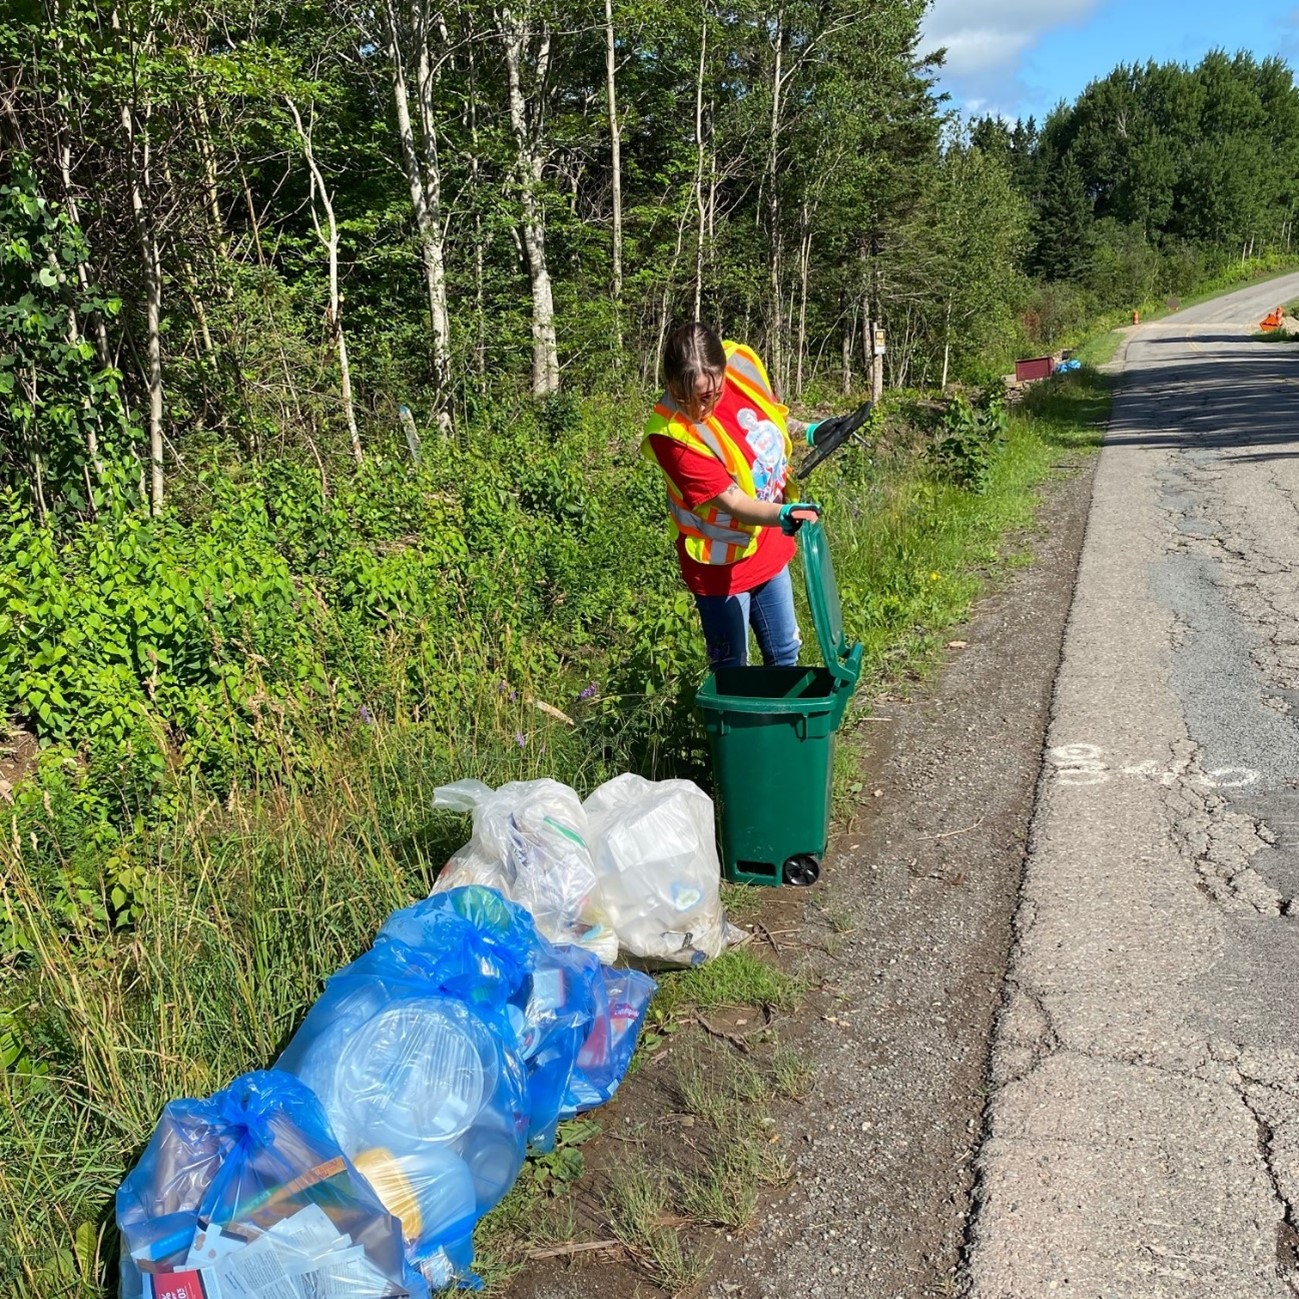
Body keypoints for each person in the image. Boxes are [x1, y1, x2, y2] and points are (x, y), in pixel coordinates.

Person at [641, 322, 823, 670]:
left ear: (723, 373)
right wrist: (784, 514)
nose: (699, 406)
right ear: (670, 383)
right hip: (719, 566)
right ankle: (734, 726)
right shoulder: (672, 436)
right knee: (732, 669)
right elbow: (734, 502)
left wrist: (810, 431)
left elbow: (767, 420)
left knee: (785, 655)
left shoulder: (739, 366)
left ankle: (778, 725)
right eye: (687, 396)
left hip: (768, 548)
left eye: (710, 394)